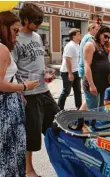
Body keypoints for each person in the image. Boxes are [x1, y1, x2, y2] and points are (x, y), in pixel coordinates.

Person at [13, 3, 60, 177]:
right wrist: (20, 90)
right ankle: (29, 170)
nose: (39, 24)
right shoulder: (15, 39)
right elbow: (12, 68)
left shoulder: (37, 37)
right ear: (25, 20)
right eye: (36, 21)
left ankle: (61, 160)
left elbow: (39, 60)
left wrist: (48, 70)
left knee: (57, 124)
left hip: (44, 89)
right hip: (28, 94)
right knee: (32, 135)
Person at [0, 11, 39, 177]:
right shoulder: (1, 49)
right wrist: (23, 87)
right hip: (6, 109)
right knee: (11, 154)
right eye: (15, 30)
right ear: (3, 28)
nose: (17, 34)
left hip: (9, 104)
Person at [83, 25, 110, 109]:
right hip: (93, 84)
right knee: (93, 112)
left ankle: (82, 119)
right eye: (105, 36)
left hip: (103, 84)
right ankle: (83, 121)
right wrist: (91, 85)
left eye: (108, 37)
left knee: (101, 109)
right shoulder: (90, 44)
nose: (106, 39)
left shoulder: (104, 46)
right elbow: (87, 66)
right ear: (99, 34)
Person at [58, 28, 82, 110]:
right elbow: (68, 60)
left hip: (76, 71)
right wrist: (70, 73)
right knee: (66, 92)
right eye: (78, 34)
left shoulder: (77, 45)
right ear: (74, 36)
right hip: (67, 72)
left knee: (78, 91)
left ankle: (79, 108)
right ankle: (59, 109)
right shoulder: (70, 46)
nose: (80, 35)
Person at [78, 23, 100, 111]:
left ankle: (79, 115)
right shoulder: (89, 39)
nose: (98, 32)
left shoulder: (85, 37)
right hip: (86, 68)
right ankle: (81, 117)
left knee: (89, 99)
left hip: (83, 67)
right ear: (91, 29)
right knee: (90, 97)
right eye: (96, 30)